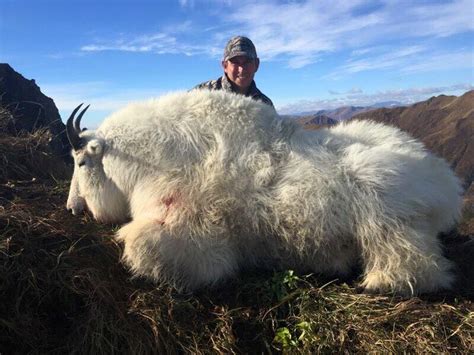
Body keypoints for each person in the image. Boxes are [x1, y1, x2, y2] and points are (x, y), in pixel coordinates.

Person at [194, 36, 274, 107]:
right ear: (225, 66)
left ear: (256, 65)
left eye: (247, 62)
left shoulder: (265, 105)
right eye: (235, 62)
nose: (241, 69)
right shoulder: (200, 94)